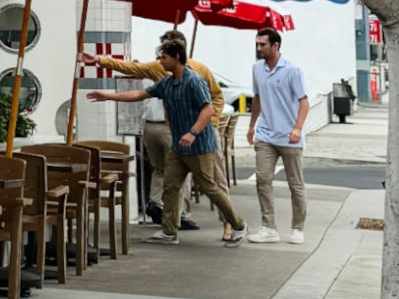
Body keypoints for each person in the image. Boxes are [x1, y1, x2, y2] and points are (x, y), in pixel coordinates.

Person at [88, 37, 245, 247]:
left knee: (210, 187)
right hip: (177, 146)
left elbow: (208, 109)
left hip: (199, 146)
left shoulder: (194, 80)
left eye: (163, 57)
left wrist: (193, 132)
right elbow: (140, 94)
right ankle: (169, 231)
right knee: (170, 187)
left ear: (176, 58)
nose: (160, 62)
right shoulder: (167, 82)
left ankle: (238, 225)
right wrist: (107, 96)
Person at [248, 26, 309, 244]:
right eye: (257, 44)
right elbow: (257, 98)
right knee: (263, 180)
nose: (258, 48)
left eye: (262, 44)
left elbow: (304, 101)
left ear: (276, 46)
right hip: (266, 134)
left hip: (290, 136)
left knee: (295, 184)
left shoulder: (292, 70)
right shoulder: (257, 69)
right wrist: (252, 125)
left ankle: (298, 228)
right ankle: (268, 228)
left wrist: (297, 128)